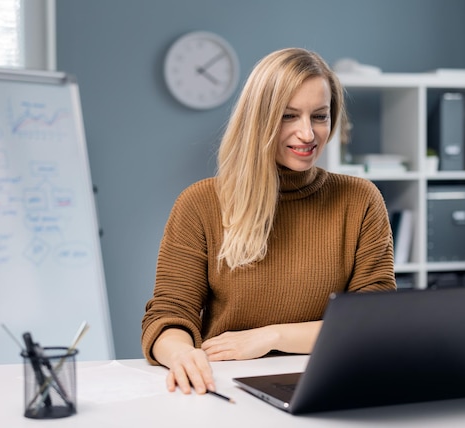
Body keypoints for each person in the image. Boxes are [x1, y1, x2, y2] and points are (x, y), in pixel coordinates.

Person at [141, 47, 396, 396]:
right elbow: (168, 314)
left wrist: (271, 337)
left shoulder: (360, 199)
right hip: (225, 385)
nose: (307, 134)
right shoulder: (200, 203)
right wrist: (182, 353)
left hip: (328, 382)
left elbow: (376, 320)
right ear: (258, 120)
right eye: (288, 116)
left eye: (319, 116)